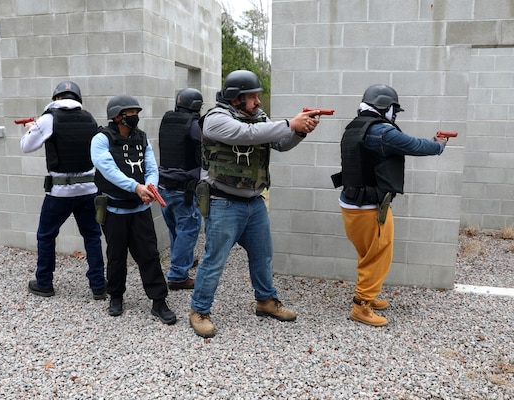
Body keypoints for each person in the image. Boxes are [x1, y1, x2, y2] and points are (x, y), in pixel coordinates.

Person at [189, 70, 321, 338]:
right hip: (222, 202)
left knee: (263, 256)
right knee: (215, 259)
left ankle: (265, 301)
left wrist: (299, 131)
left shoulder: (259, 118)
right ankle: (199, 310)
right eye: (252, 97)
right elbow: (245, 134)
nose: (258, 102)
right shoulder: (216, 119)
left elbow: (281, 143)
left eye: (257, 96)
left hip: (254, 202)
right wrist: (289, 122)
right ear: (235, 98)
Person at [334, 84, 448, 327]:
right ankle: (361, 305)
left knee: (368, 254)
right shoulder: (382, 132)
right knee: (377, 255)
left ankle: (369, 295)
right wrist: (438, 145)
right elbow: (415, 145)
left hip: (353, 204)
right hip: (369, 208)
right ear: (384, 107)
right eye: (393, 110)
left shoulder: (355, 126)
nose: (394, 115)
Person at [90, 94, 176, 325]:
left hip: (139, 209)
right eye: (131, 113)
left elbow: (150, 165)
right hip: (114, 210)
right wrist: (135, 187)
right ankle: (115, 296)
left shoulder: (141, 138)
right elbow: (108, 169)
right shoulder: (101, 139)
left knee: (149, 255)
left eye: (137, 112)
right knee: (116, 256)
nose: (135, 116)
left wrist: (150, 187)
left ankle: (159, 301)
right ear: (117, 116)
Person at [20, 81, 106, 299]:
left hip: (59, 193)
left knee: (46, 236)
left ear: (56, 98)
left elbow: (26, 146)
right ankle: (98, 286)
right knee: (92, 236)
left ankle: (44, 283)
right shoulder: (89, 118)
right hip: (89, 191)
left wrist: (32, 129)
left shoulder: (48, 118)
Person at [158, 88, 204, 291]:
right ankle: (178, 275)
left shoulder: (166, 120)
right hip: (183, 189)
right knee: (189, 228)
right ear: (196, 106)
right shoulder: (194, 126)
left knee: (175, 228)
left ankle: (182, 260)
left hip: (164, 187)